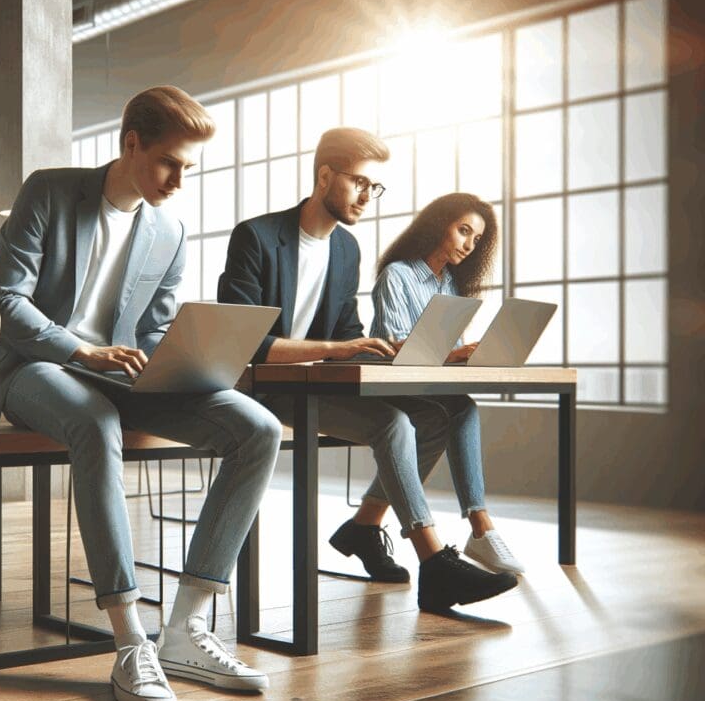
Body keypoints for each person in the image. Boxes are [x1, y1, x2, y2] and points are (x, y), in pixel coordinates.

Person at [0, 86, 281, 701]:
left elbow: (153, 331)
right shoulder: (49, 190)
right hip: (35, 366)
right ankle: (129, 640)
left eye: (189, 168)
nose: (180, 179)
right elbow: (8, 302)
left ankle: (185, 628)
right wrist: (80, 350)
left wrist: (190, 362)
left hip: (124, 375)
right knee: (95, 424)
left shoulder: (170, 231)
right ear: (131, 144)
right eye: (169, 162)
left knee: (258, 429)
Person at [217, 127, 519, 613]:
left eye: (373, 187)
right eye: (359, 182)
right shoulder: (256, 236)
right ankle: (436, 562)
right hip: (264, 388)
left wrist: (389, 349)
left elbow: (347, 331)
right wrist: (339, 349)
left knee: (436, 415)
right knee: (398, 421)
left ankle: (385, 537)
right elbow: (243, 344)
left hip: (318, 385)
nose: (366, 196)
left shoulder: (345, 250)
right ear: (323, 176)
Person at [367, 192, 524, 573]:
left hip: (428, 389)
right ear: (440, 225)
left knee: (459, 405)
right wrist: (456, 353)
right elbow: (395, 349)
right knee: (461, 408)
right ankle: (480, 525)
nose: (470, 245)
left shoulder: (450, 283)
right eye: (464, 231)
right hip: (388, 386)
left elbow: (443, 353)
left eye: (477, 239)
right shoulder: (398, 275)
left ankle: (363, 524)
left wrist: (474, 354)